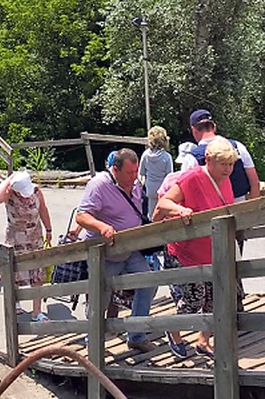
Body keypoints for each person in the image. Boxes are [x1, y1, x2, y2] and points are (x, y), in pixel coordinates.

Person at [155, 137, 238, 359]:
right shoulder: (193, 177)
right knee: (194, 298)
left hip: (212, 250)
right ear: (209, 160)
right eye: (224, 164)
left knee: (215, 298)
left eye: (231, 164)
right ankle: (174, 330)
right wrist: (181, 210)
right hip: (187, 250)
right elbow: (163, 204)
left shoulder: (226, 180)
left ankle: (203, 341)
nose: (228, 169)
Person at [75, 148, 157, 354]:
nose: (133, 177)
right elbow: (81, 216)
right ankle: (92, 338)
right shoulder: (100, 184)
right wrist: (102, 227)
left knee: (148, 282)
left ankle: (136, 335)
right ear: (115, 170)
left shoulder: (136, 185)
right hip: (104, 254)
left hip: (129, 250)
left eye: (135, 172)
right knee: (100, 297)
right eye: (129, 173)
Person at [0, 171, 54, 322]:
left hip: (35, 236)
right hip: (16, 238)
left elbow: (43, 209)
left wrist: (49, 229)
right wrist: (10, 178)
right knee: (14, 273)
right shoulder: (9, 194)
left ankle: (37, 311)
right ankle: (16, 302)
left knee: (37, 273)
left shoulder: (36, 191)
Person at [180, 109, 261, 203]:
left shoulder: (192, 158)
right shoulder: (237, 146)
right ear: (214, 127)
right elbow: (255, 183)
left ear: (193, 130)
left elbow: (183, 191)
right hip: (242, 205)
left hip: (210, 211)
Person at [139, 126, 174, 218]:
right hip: (163, 189)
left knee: (151, 213)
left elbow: (141, 172)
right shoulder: (167, 157)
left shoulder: (145, 155)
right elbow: (170, 175)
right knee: (164, 213)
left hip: (150, 188)